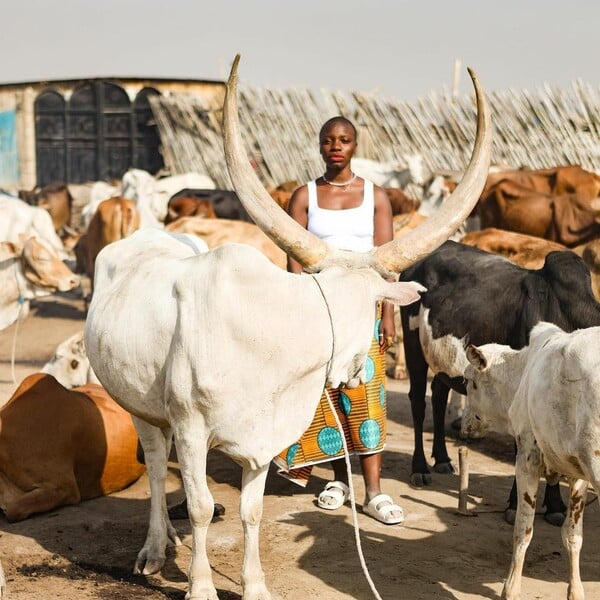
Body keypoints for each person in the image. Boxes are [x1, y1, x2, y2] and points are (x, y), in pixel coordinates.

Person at [273, 116, 404, 525]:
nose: (336, 147)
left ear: (354, 146)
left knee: (366, 397)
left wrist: (388, 316)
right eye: (329, 140)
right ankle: (339, 481)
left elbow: (389, 262)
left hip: (363, 310)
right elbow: (294, 259)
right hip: (317, 310)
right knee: (325, 397)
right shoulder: (303, 196)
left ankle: (375, 493)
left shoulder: (375, 196)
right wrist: (296, 313)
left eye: (344, 140)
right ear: (319, 146)